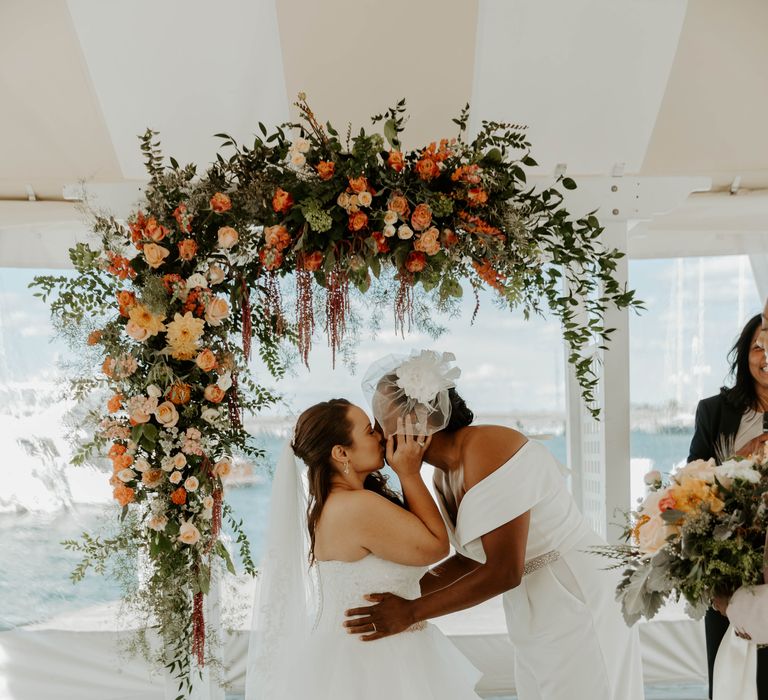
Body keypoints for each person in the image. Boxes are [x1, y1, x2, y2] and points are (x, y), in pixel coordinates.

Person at [344, 350, 644, 700]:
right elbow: (473, 558)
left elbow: (503, 570)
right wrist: (406, 593)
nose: (379, 435)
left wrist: (410, 612)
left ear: (420, 418)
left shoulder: (487, 448)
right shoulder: (442, 475)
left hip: (574, 591)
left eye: (384, 421)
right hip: (532, 602)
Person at [244, 398, 481, 700]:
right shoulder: (356, 507)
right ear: (341, 453)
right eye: (369, 431)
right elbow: (435, 547)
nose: (381, 435)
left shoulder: (334, 504)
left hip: (364, 652)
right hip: (376, 662)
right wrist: (409, 473)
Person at [687, 313, 768, 700]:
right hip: (729, 571)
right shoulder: (714, 411)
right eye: (757, 346)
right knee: (727, 678)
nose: (765, 354)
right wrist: (738, 462)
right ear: (744, 353)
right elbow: (692, 484)